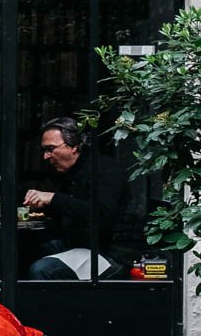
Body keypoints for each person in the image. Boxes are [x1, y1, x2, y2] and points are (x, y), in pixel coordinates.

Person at [24, 117, 125, 280]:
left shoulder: (104, 169)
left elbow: (101, 214)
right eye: (44, 150)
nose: (45, 156)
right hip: (80, 244)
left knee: (42, 269)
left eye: (51, 149)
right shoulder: (70, 172)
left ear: (74, 146)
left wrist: (53, 199)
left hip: (111, 252)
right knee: (23, 252)